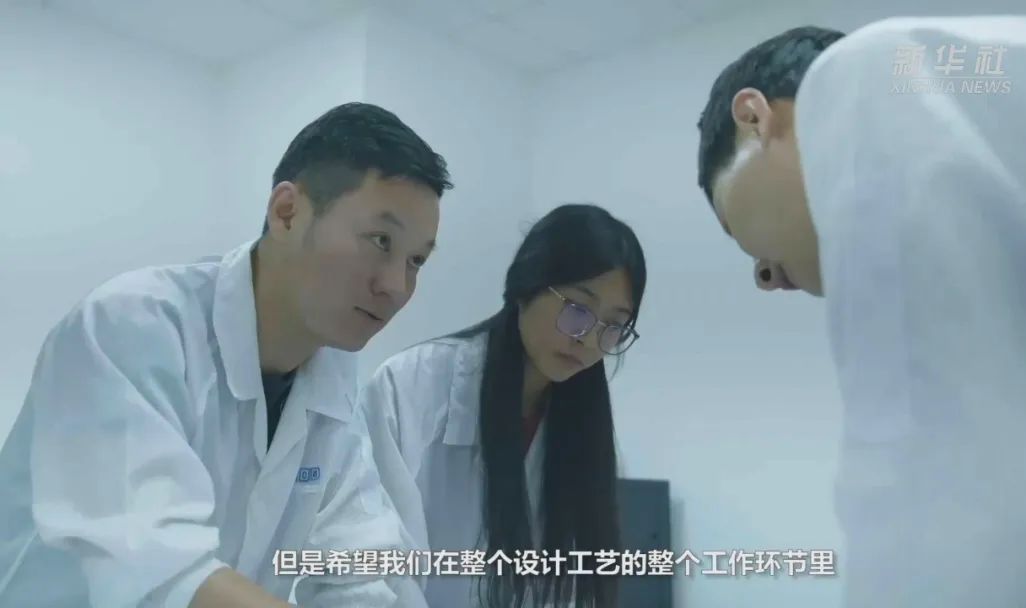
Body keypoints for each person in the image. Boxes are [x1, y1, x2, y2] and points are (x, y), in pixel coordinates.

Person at [0, 102, 451, 607]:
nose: (396, 286)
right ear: (287, 213)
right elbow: (160, 570)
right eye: (380, 240)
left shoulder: (331, 378)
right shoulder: (133, 327)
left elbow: (360, 566)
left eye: (416, 260)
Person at [695, 16, 1026, 608]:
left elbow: (945, 523)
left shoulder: (863, 81)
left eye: (735, 230)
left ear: (753, 117)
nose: (767, 278)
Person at [358, 203, 646, 608]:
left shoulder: (590, 436)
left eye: (613, 325)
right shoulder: (410, 388)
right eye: (578, 309)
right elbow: (371, 563)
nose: (586, 338)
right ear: (527, 285)